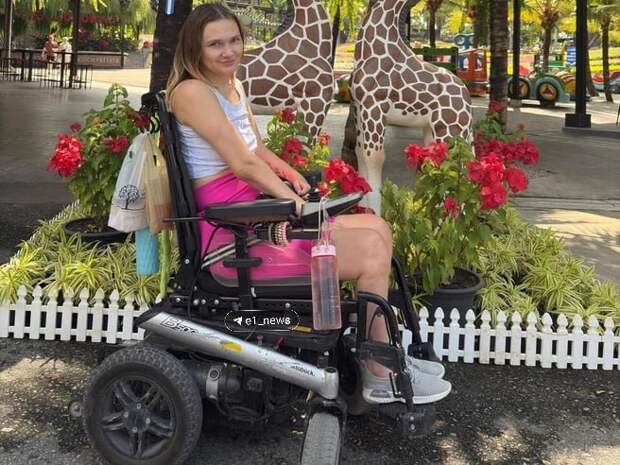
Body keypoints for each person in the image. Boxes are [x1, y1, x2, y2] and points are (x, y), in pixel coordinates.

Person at [165, 3, 451, 405]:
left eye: (234, 40)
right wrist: (293, 201)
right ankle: (379, 373)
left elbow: (256, 149)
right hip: (231, 238)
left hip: (254, 218)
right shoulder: (192, 91)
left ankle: (384, 351)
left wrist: (290, 175)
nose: (228, 51)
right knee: (370, 251)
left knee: (377, 228)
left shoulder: (231, 84)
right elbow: (242, 165)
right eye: (215, 44)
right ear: (195, 48)